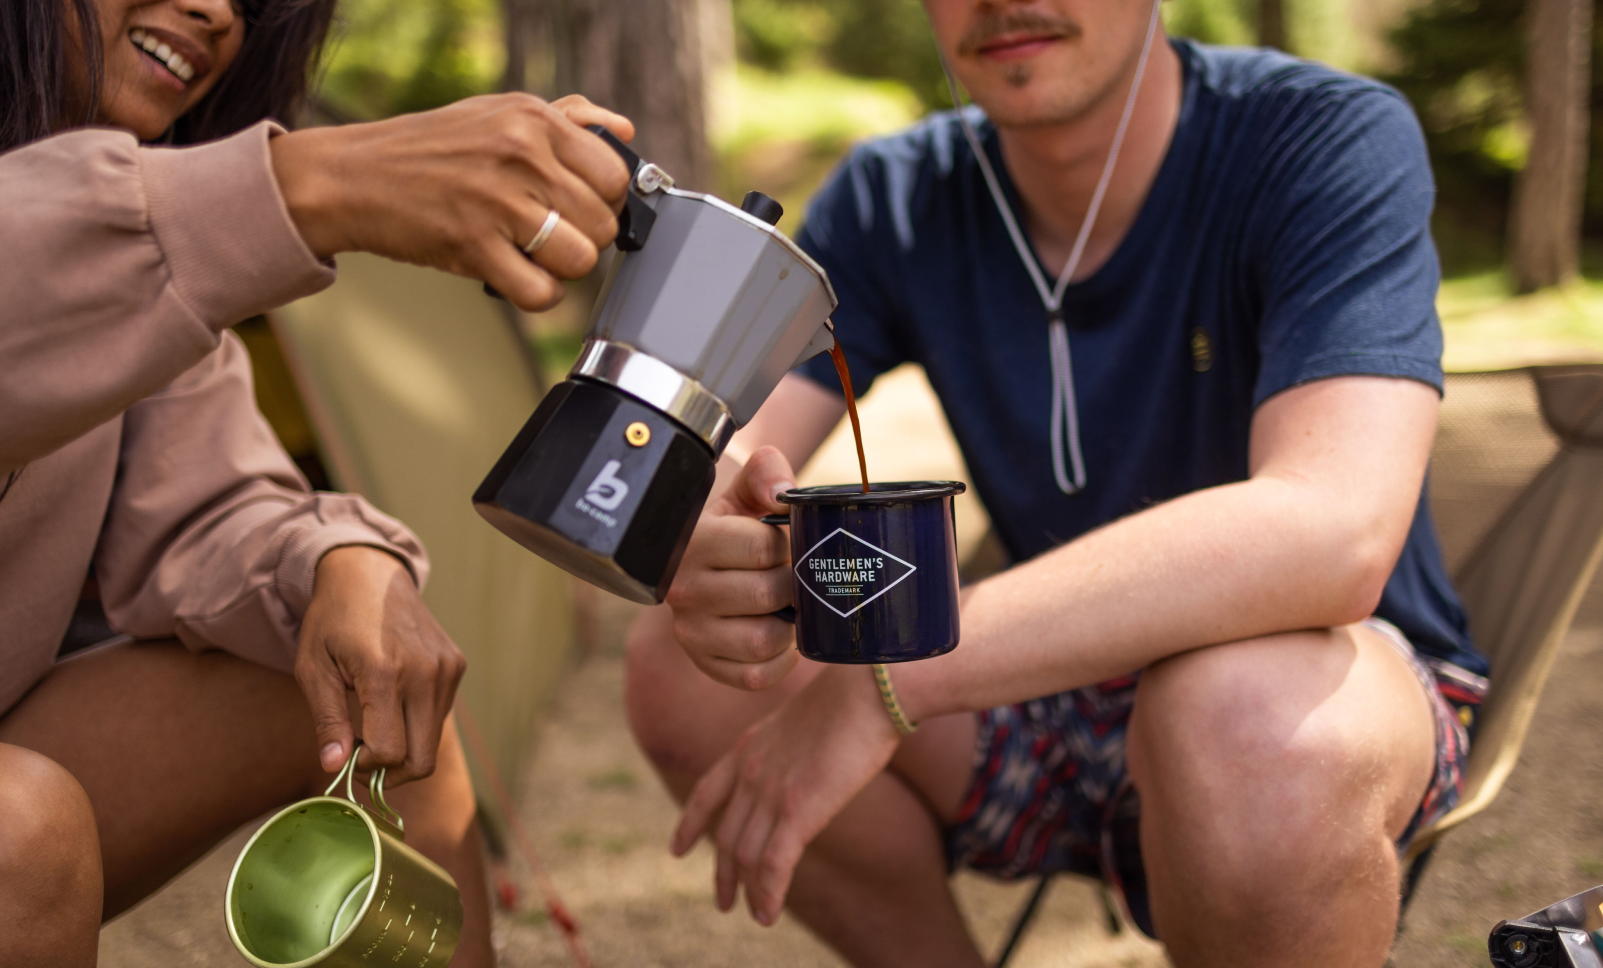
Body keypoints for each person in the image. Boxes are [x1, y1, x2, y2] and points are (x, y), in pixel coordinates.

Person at [624, 1, 1492, 966]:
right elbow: (719, 449)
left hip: (1313, 696)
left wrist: (891, 678)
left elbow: (1332, 534)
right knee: (681, 668)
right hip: (1043, 706)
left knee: (1238, 718)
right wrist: (705, 529)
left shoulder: (1319, 136)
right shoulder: (896, 194)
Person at [0, 0, 635, 964]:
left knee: (373, 688)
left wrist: (335, 559)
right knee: (21, 828)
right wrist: (316, 183)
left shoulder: (136, 238)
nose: (217, 11)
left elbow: (205, 499)